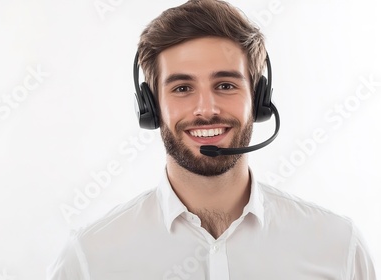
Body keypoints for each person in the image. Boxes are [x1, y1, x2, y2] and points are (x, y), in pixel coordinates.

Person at [47, 0, 377, 279]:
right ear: (150, 105)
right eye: (182, 88)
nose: (206, 109)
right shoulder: (89, 259)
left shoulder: (338, 248)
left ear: (259, 99)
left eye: (225, 85)